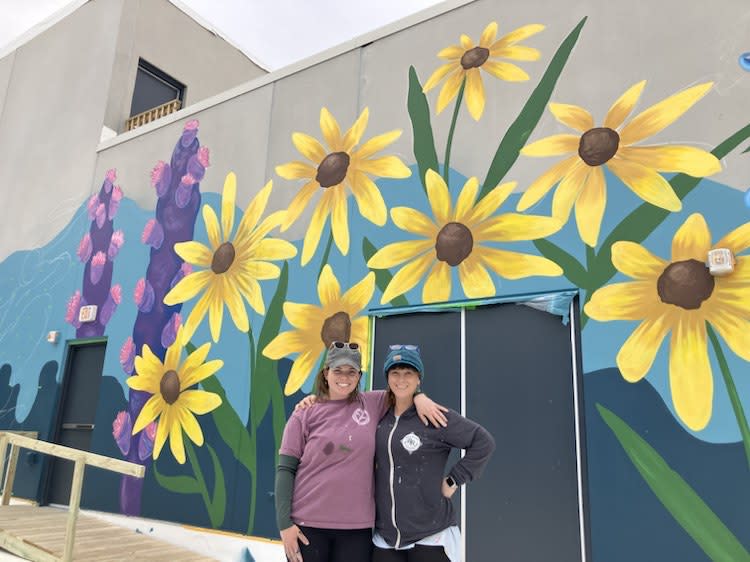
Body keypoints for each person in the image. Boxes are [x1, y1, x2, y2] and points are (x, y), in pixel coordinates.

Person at [275, 341, 448, 562]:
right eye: (338, 370)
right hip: (308, 526)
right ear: (326, 373)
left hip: (357, 529)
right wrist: (284, 525)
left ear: (359, 376)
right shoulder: (304, 414)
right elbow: (285, 470)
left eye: (351, 371)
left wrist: (420, 396)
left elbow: (402, 389)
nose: (344, 377)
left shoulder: (373, 403)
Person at [373, 345, 495, 562]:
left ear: (418, 378)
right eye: (395, 373)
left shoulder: (434, 415)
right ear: (387, 378)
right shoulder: (379, 415)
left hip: (430, 536)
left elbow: (483, 442)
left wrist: (453, 480)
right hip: (387, 539)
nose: (401, 379)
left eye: (408, 373)